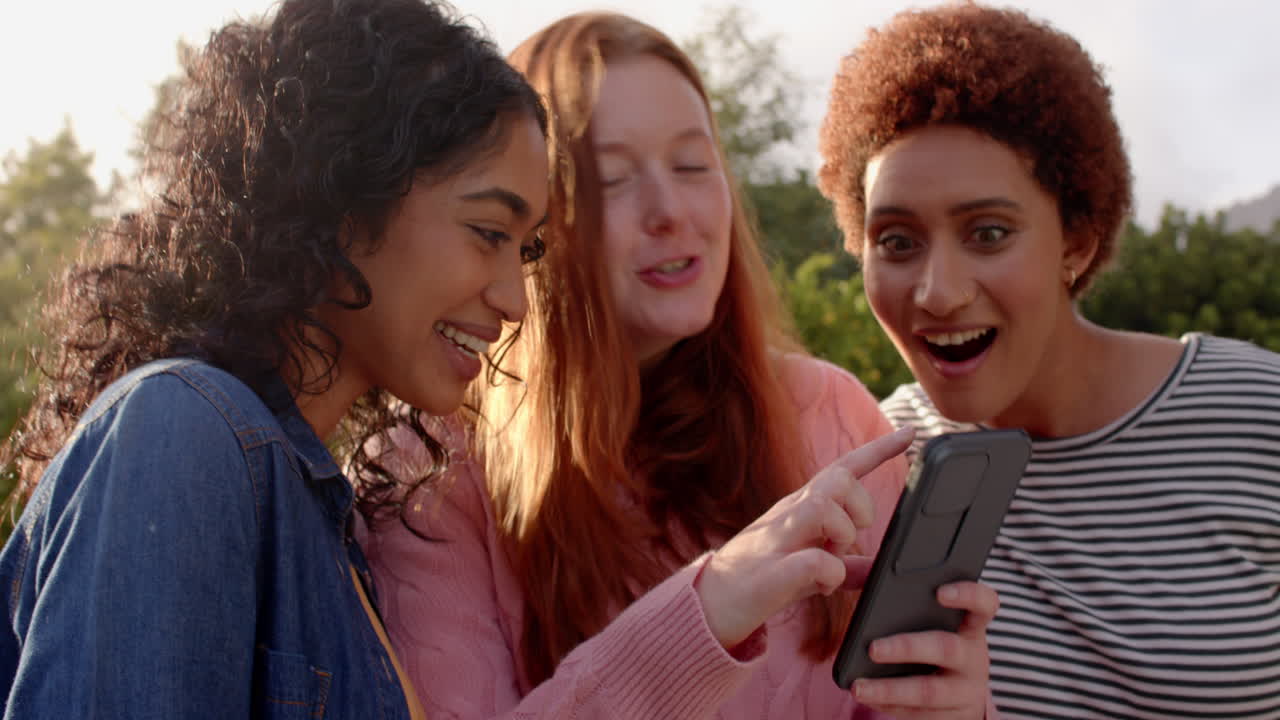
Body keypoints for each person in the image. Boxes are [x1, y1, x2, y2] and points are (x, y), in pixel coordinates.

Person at [360, 11, 1000, 720]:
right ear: (533, 220)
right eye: (613, 179)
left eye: (693, 165)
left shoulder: (831, 415)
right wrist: (706, 614)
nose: (669, 210)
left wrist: (960, 709)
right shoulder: (424, 473)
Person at [0, 0, 550, 716]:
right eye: (489, 232)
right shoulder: (181, 430)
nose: (515, 300)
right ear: (343, 192)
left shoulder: (320, 522)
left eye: (526, 249)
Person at [816, 4, 1280, 719]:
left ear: (1077, 241)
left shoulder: (1258, 414)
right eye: (898, 242)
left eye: (988, 233)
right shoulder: (872, 460)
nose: (937, 292)